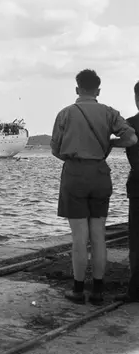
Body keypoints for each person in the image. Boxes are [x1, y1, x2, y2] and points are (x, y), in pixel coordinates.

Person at [51, 69, 138, 305]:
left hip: (75, 174)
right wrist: (110, 144)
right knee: (98, 234)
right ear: (98, 91)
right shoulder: (109, 113)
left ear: (77, 89)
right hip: (100, 174)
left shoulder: (65, 114)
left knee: (79, 237)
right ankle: (98, 290)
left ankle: (78, 290)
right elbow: (131, 139)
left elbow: (55, 149)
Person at [113, 81, 139, 302]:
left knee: (136, 242)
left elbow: (123, 141)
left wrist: (110, 143)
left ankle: (134, 291)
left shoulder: (131, 124)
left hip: (138, 185)